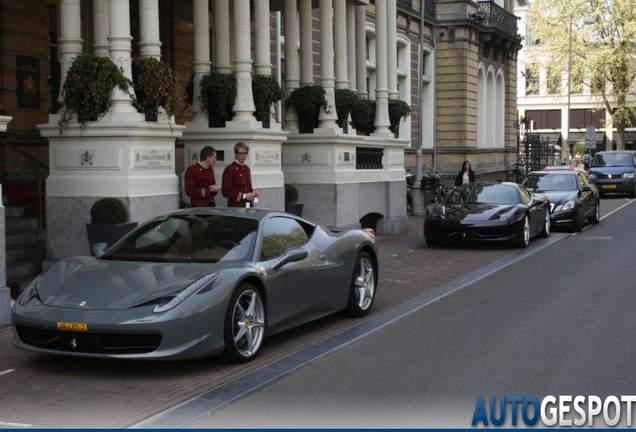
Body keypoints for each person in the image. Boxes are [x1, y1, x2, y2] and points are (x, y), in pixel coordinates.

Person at [222, 142, 259, 207]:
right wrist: (244, 196)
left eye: (245, 153)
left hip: (248, 205)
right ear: (235, 154)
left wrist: (253, 193)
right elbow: (226, 191)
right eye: (240, 153)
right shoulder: (229, 169)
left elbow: (247, 187)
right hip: (236, 206)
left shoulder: (247, 169)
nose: (243, 156)